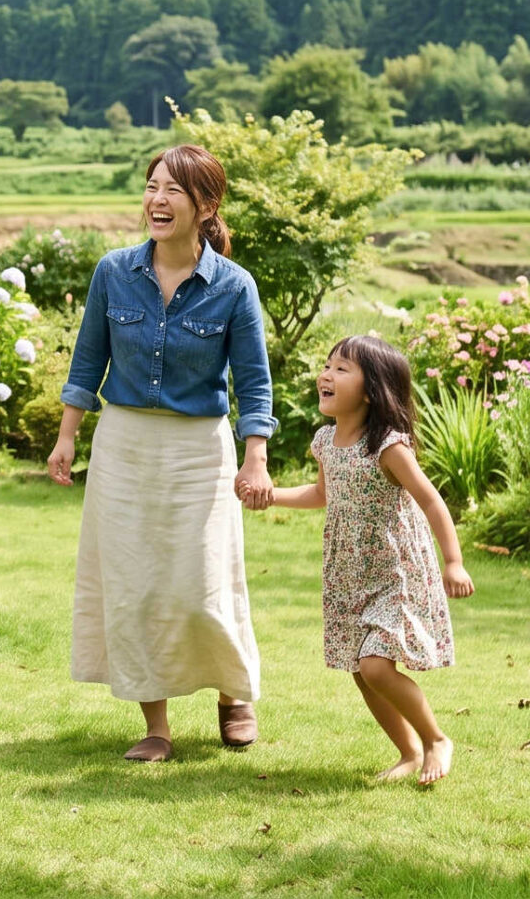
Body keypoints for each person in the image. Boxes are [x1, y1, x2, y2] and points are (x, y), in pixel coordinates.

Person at [46, 143, 277, 762]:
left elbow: (254, 381)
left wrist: (255, 455)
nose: (158, 199)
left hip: (199, 450)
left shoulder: (234, 286)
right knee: (134, 585)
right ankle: (156, 725)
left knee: (202, 582)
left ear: (206, 206)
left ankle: (233, 694)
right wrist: (67, 435)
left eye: (173, 189)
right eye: (152, 187)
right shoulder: (113, 272)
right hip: (123, 446)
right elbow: (87, 361)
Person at [255, 334, 475, 785]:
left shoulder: (388, 446)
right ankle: (408, 752)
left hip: (395, 570)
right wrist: (271, 495)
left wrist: (453, 562)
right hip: (350, 571)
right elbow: (321, 493)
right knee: (361, 670)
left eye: (342, 369)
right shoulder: (324, 441)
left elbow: (431, 501)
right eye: (327, 365)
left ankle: (435, 739)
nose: (326, 374)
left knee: (376, 664)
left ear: (372, 390)